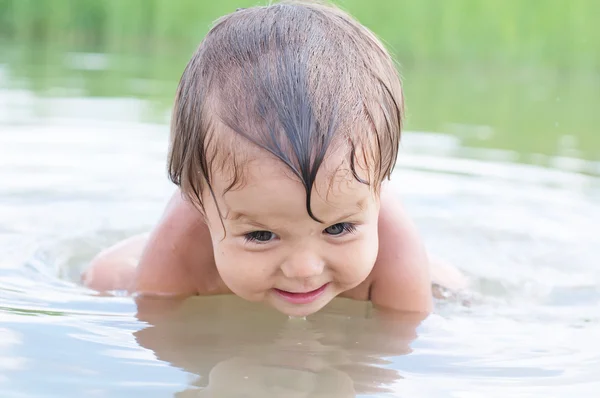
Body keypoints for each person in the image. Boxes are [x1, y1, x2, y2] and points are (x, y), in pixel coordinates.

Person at [83, 0, 465, 317]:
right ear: (198, 202)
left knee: (453, 289)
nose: (304, 269)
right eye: (261, 234)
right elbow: (159, 340)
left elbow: (398, 355)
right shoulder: (182, 241)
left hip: (405, 264)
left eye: (338, 229)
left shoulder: (393, 246)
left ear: (379, 187)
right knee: (102, 279)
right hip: (183, 254)